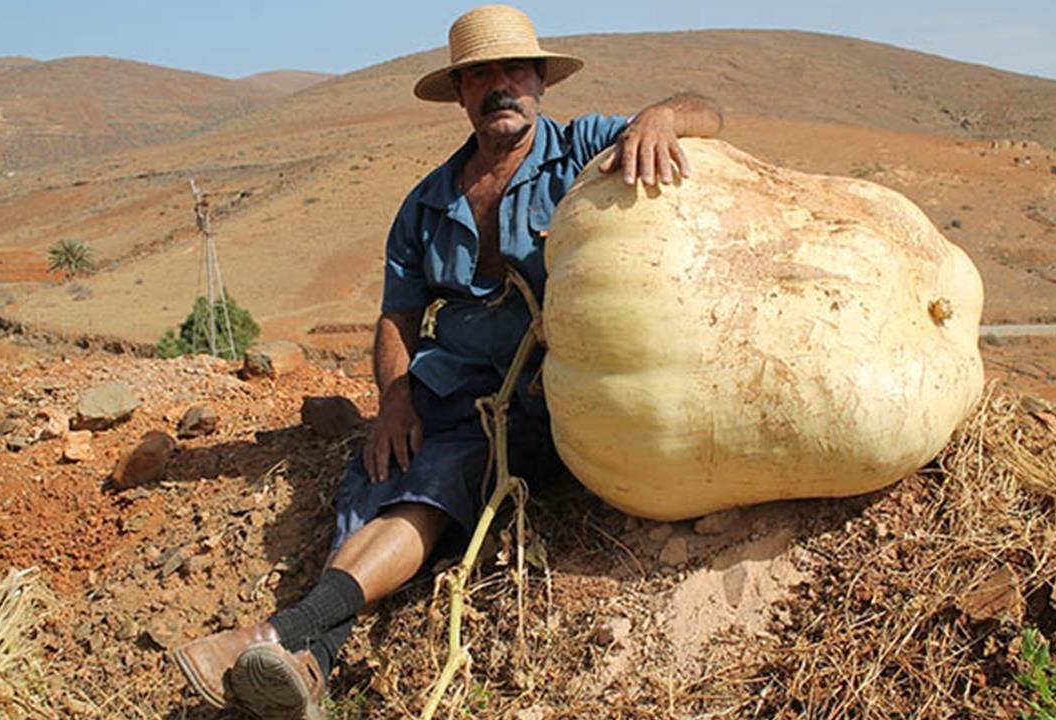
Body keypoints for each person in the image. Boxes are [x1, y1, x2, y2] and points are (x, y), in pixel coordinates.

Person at [174, 5, 723, 718]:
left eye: (514, 71)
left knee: (437, 480)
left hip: (536, 393)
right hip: (442, 385)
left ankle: (280, 633)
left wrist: (660, 116)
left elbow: (708, 110)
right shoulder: (426, 203)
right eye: (481, 75)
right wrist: (394, 402)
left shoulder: (586, 146)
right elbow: (397, 316)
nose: (501, 86)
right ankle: (312, 663)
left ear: (539, 82)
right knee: (373, 482)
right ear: (460, 94)